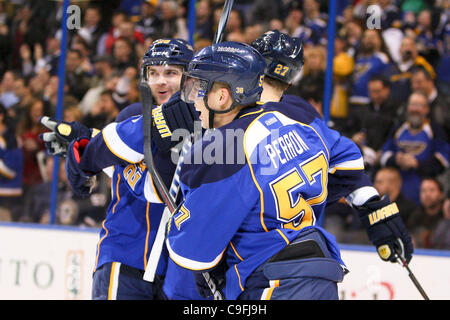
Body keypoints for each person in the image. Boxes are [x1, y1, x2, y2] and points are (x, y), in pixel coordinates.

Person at [165, 39, 413, 300]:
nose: (195, 101)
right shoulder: (297, 115)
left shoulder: (221, 148)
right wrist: (370, 204)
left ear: (223, 94)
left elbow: (190, 252)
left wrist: (180, 216)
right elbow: (349, 161)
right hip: (322, 269)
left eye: (201, 89)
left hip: (272, 280)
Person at [41, 39, 202, 300]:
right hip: (127, 257)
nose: (160, 81)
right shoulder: (133, 114)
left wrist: (87, 138)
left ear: (190, 78)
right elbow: (148, 183)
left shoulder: (205, 127)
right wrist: (88, 145)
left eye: (171, 73)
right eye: (154, 73)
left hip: (176, 271)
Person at [380, 91, 449, 204]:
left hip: (424, 189)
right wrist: (396, 160)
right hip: (397, 190)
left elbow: (443, 161)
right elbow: (384, 155)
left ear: (427, 109)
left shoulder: (436, 130)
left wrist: (416, 164)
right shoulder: (398, 128)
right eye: (412, 105)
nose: (415, 109)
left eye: (419, 106)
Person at [407, 178, 445, 249]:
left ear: (441, 194)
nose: (427, 194)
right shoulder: (415, 216)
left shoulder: (446, 216)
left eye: (432, 190)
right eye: (423, 191)